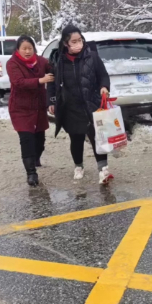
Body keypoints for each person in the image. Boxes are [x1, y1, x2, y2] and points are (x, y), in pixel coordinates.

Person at [47, 25, 113, 185]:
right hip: (70, 107)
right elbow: (51, 82)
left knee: (97, 137)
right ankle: (78, 166)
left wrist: (104, 87)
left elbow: (103, 76)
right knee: (76, 139)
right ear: (65, 43)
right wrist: (51, 100)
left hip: (91, 104)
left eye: (80, 40)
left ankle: (103, 170)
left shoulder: (93, 57)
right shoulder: (58, 61)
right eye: (74, 41)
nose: (78, 44)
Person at [6, 35, 54, 187]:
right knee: (26, 140)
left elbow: (53, 67)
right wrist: (40, 80)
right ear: (18, 50)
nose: (27, 52)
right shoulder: (12, 63)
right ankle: (31, 173)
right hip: (20, 108)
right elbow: (19, 82)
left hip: (38, 107)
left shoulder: (40, 61)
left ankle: (35, 158)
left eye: (30, 48)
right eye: (24, 49)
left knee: (40, 141)